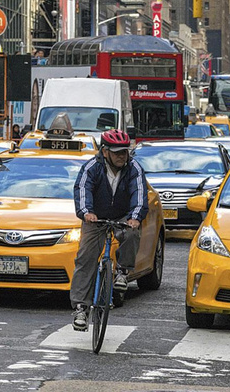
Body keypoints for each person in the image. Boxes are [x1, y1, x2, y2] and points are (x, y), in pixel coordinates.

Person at [70, 129, 148, 331]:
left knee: (132, 233)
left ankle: (122, 272)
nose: (122, 156)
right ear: (104, 152)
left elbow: (139, 195)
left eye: (125, 151)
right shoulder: (92, 168)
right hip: (95, 217)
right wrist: (87, 212)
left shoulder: (134, 169)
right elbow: (82, 190)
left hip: (123, 216)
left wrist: (135, 218)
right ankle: (81, 308)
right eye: (117, 152)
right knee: (85, 258)